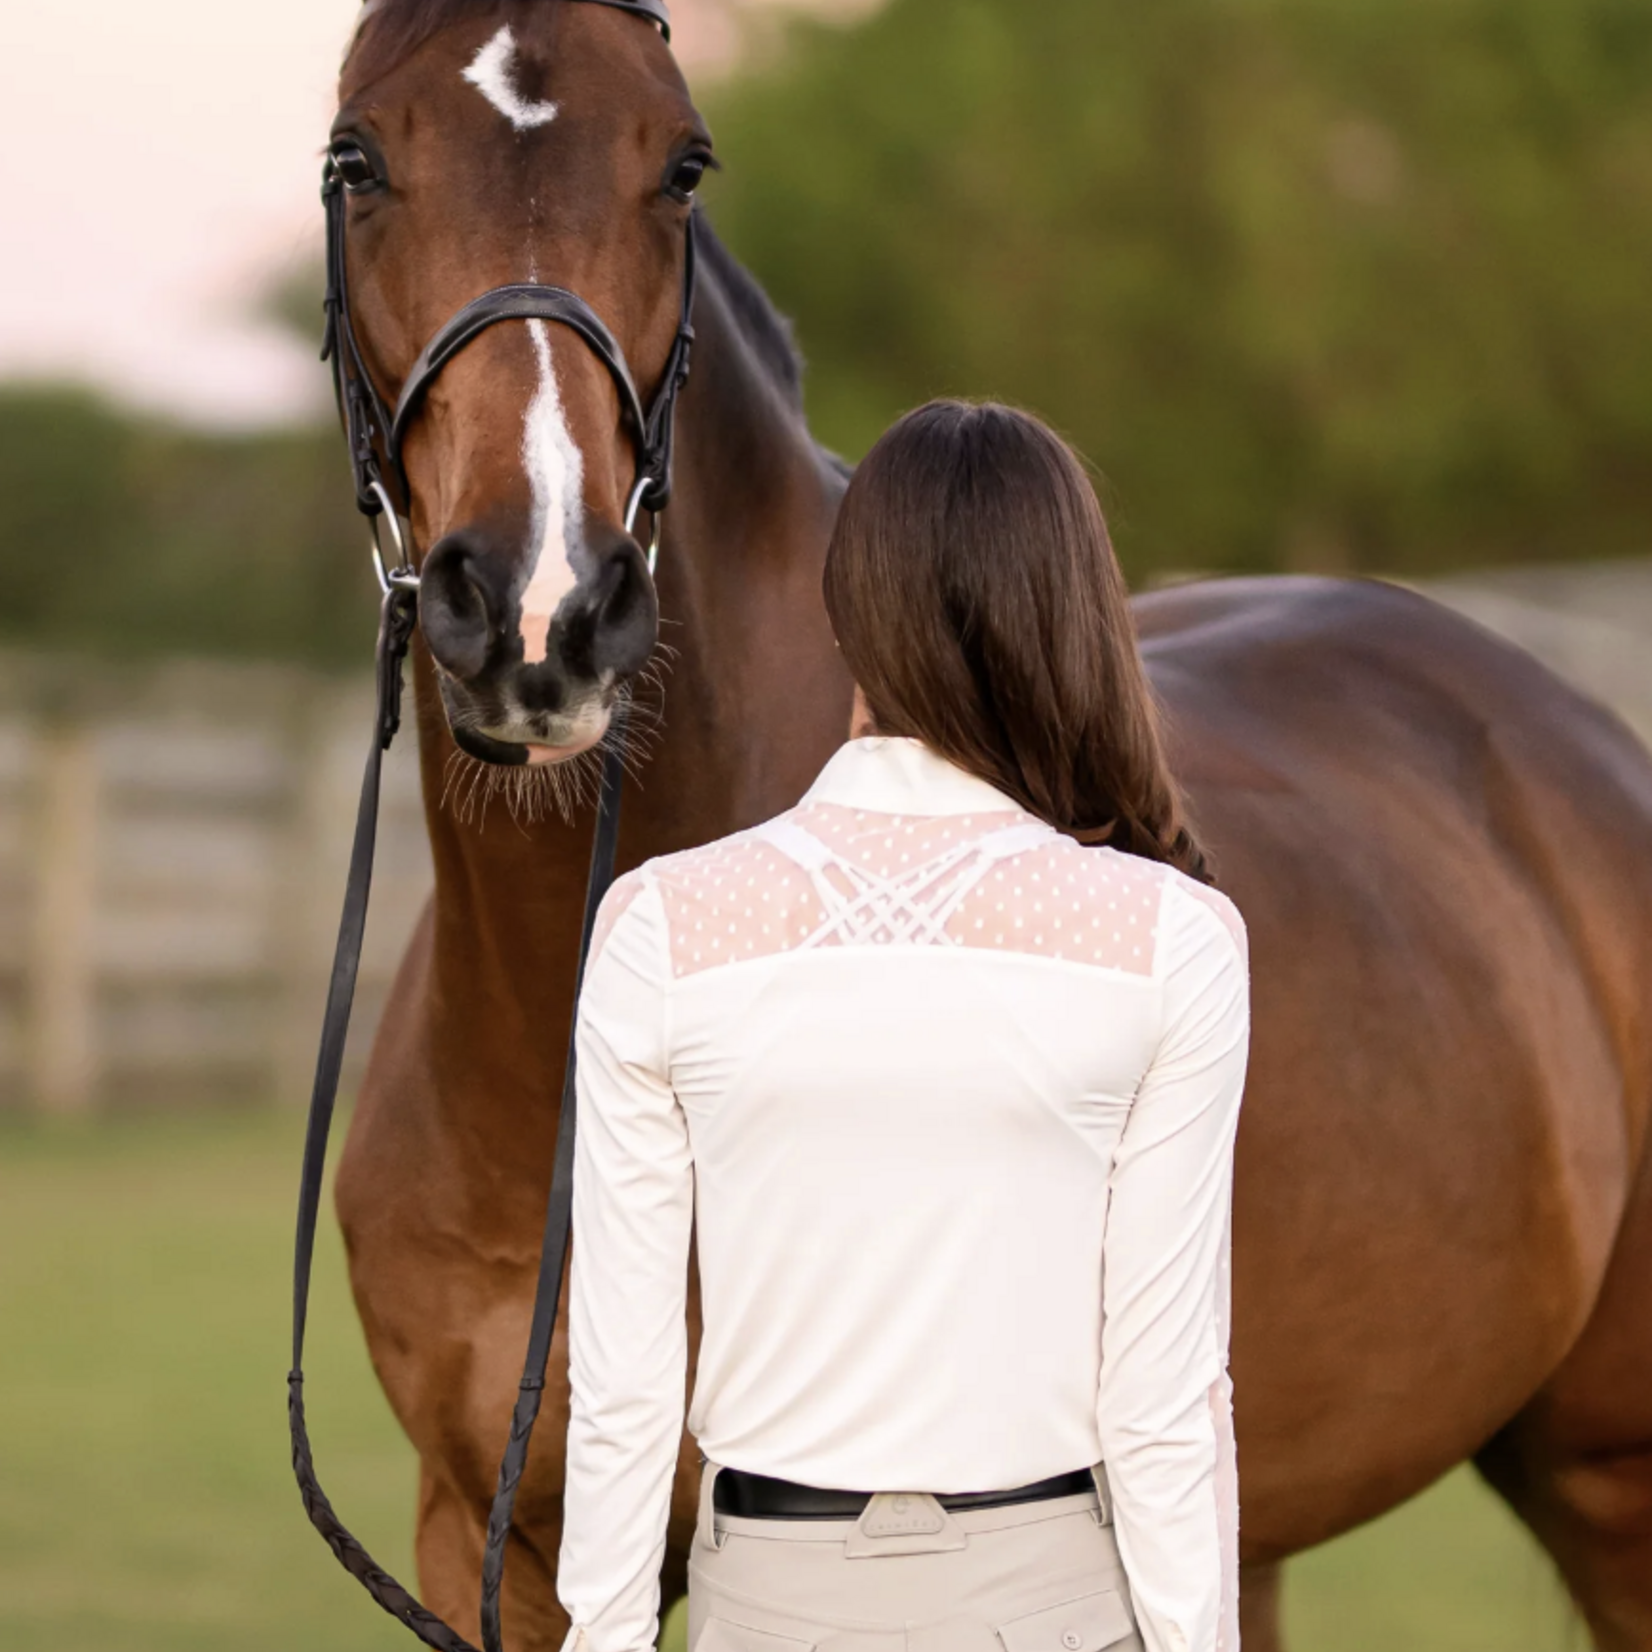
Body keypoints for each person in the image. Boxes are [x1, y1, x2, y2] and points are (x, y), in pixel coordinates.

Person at [556, 401, 1250, 1652]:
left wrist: (601, 1638)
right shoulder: (1168, 940)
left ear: (844, 608)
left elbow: (622, 1384)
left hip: (766, 1600)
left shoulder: (662, 926)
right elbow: (1164, 1396)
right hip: (1052, 1604)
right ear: (1074, 609)